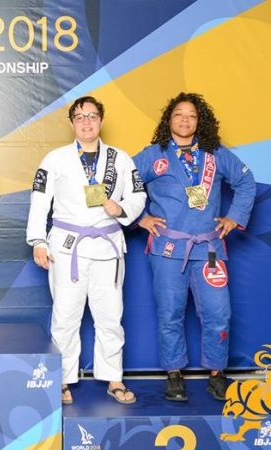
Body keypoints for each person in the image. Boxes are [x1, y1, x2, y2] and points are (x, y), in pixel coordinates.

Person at [133, 92, 255, 401]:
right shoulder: (152, 155)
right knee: (170, 313)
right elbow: (123, 185)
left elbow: (245, 182)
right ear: (169, 119)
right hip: (168, 248)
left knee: (219, 312)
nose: (185, 120)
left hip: (209, 248)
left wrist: (234, 217)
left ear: (200, 121)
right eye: (178, 114)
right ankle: (174, 374)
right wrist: (141, 218)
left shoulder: (215, 154)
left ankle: (217, 373)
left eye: (191, 115)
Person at [26, 96, 146, 405]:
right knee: (65, 316)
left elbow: (138, 195)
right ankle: (63, 379)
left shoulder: (120, 159)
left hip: (108, 245)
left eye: (92, 116)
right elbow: (40, 201)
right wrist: (38, 240)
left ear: (101, 120)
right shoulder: (55, 159)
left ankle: (114, 378)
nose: (86, 122)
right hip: (68, 246)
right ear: (72, 123)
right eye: (79, 117)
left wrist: (122, 208)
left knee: (110, 316)